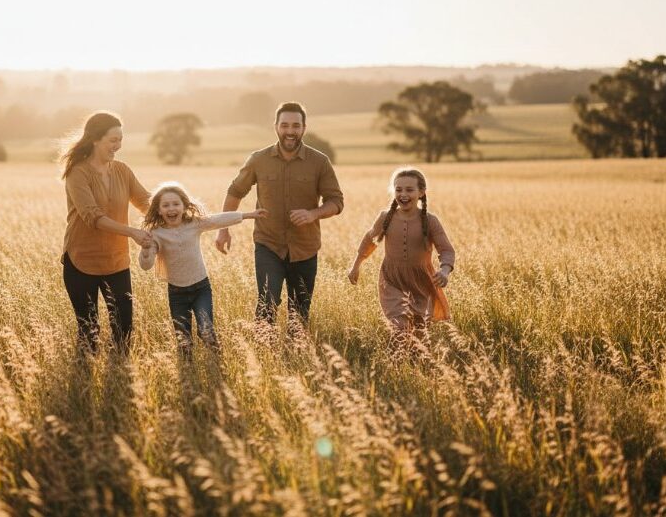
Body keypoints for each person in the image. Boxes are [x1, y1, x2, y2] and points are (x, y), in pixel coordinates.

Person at [215, 101, 344, 329]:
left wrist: (314, 214)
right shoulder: (259, 159)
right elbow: (235, 192)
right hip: (268, 245)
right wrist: (223, 230)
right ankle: (264, 356)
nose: (290, 131)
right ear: (276, 126)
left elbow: (336, 201)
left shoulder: (319, 162)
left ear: (304, 128)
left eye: (296, 125)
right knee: (267, 303)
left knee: (300, 311)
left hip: (305, 247)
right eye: (285, 125)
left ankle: (296, 357)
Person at [60, 111, 153, 354]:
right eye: (113, 140)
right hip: (81, 262)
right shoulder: (77, 173)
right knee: (89, 333)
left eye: (120, 140)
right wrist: (132, 232)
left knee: (124, 330)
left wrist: (177, 212)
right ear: (95, 139)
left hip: (116, 260)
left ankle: (120, 380)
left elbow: (145, 201)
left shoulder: (122, 170)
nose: (118, 146)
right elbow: (93, 216)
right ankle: (84, 384)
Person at [139, 182, 267, 357]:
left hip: (201, 288)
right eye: (166, 205)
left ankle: (217, 360)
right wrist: (146, 251)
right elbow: (146, 265)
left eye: (176, 204)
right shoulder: (156, 234)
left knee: (206, 330)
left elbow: (218, 219)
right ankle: (188, 368)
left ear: (184, 206)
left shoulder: (194, 224)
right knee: (183, 339)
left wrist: (248, 214)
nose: (171, 209)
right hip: (176, 292)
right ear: (158, 210)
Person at [347, 166, 455, 348]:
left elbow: (446, 250)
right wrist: (356, 265)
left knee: (420, 331)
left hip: (422, 281)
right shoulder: (385, 217)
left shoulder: (430, 221)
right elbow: (370, 240)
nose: (403, 194)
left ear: (421, 192)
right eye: (398, 189)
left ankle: (415, 366)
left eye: (409, 190)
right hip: (392, 279)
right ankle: (395, 364)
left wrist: (444, 270)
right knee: (400, 326)